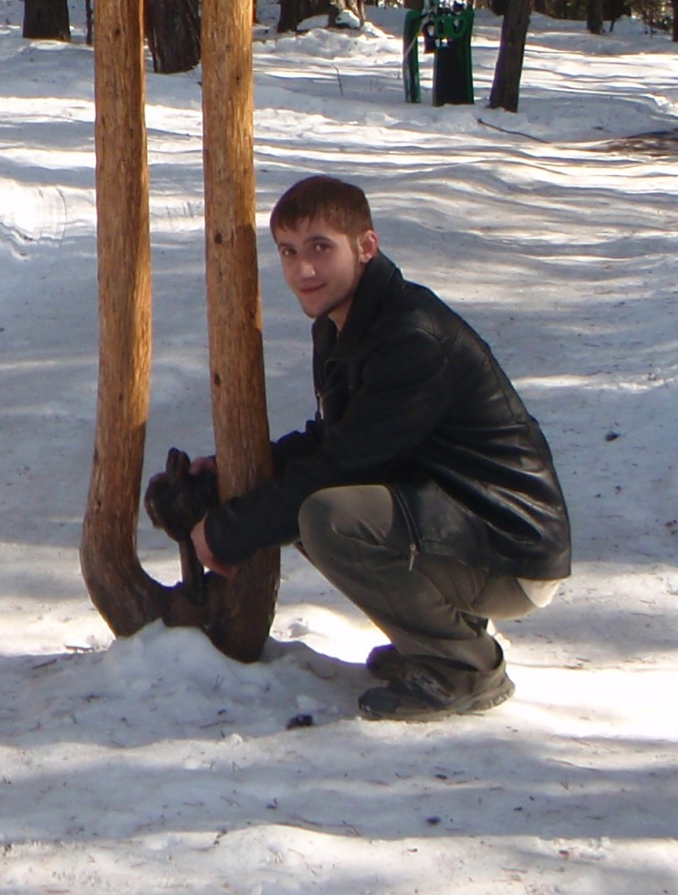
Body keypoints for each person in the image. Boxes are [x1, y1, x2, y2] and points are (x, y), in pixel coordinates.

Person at [185, 176, 571, 721]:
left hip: (511, 551)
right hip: (466, 531)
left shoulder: (410, 336)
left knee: (327, 515)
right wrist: (234, 472)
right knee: (313, 503)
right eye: (288, 251)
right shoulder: (349, 323)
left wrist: (227, 533)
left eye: (321, 247)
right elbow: (337, 439)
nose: (303, 269)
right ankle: (436, 637)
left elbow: (341, 466)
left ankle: (462, 665)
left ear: (366, 246)